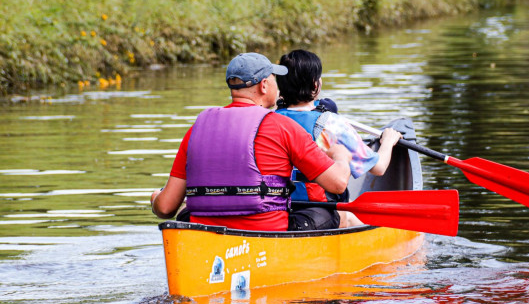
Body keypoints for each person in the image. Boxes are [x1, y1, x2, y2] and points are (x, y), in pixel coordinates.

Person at [150, 52, 352, 232]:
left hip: (209, 232)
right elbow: (338, 184)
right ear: (264, 85)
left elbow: (165, 208)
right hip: (267, 231)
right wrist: (341, 157)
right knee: (335, 214)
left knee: (185, 214)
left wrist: (154, 198)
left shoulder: (196, 129)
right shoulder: (283, 127)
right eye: (275, 79)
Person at [275, 49, 402, 229]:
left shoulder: (269, 120)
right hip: (320, 209)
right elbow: (378, 168)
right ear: (315, 84)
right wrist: (388, 141)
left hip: (280, 208)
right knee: (346, 209)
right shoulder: (330, 124)